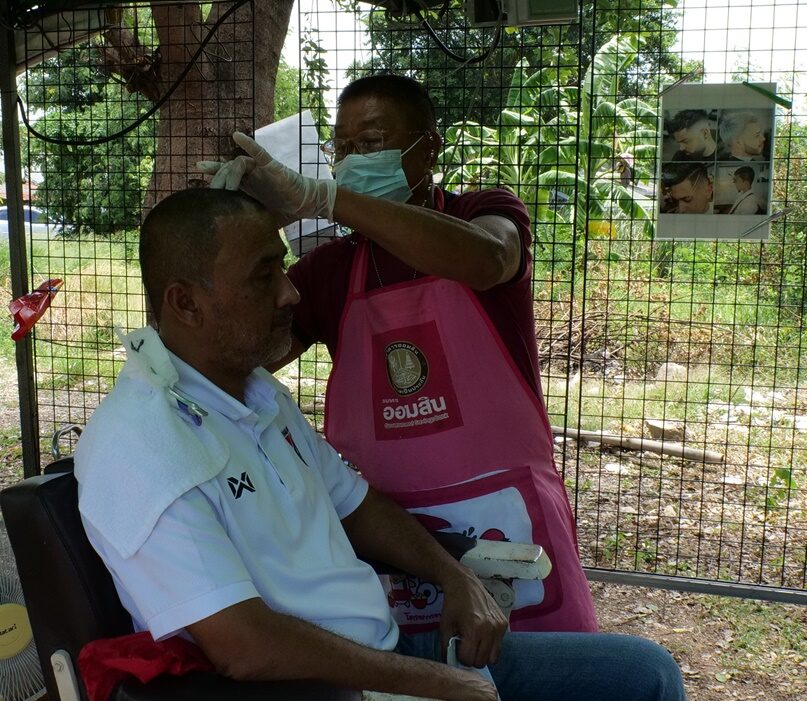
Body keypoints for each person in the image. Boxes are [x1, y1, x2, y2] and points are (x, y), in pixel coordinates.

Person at [74, 187, 702, 701]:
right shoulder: (143, 445)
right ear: (185, 302)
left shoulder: (255, 397)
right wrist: (430, 682)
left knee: (649, 677)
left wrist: (452, 577)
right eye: (265, 274)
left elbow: (359, 506)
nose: (291, 293)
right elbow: (246, 648)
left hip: (378, 664)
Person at [200, 74, 597, 634]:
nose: (353, 158)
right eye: (343, 148)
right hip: (396, 533)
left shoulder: (483, 211)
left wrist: (330, 199)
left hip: (508, 518)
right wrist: (241, 236)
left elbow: (488, 259)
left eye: (371, 142)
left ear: (428, 147)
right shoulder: (332, 269)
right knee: (425, 689)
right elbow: (233, 357)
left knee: (558, 680)